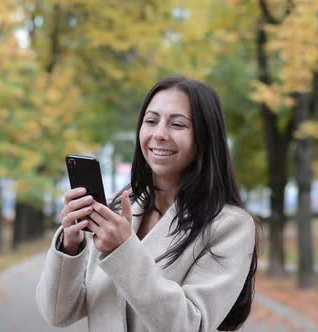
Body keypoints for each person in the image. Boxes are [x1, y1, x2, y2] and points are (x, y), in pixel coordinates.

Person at [36, 76, 259, 332]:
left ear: (204, 138)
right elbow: (57, 314)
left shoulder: (230, 227)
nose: (159, 134)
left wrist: (123, 250)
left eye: (177, 124)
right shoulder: (119, 210)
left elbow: (190, 325)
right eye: (151, 121)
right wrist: (70, 245)